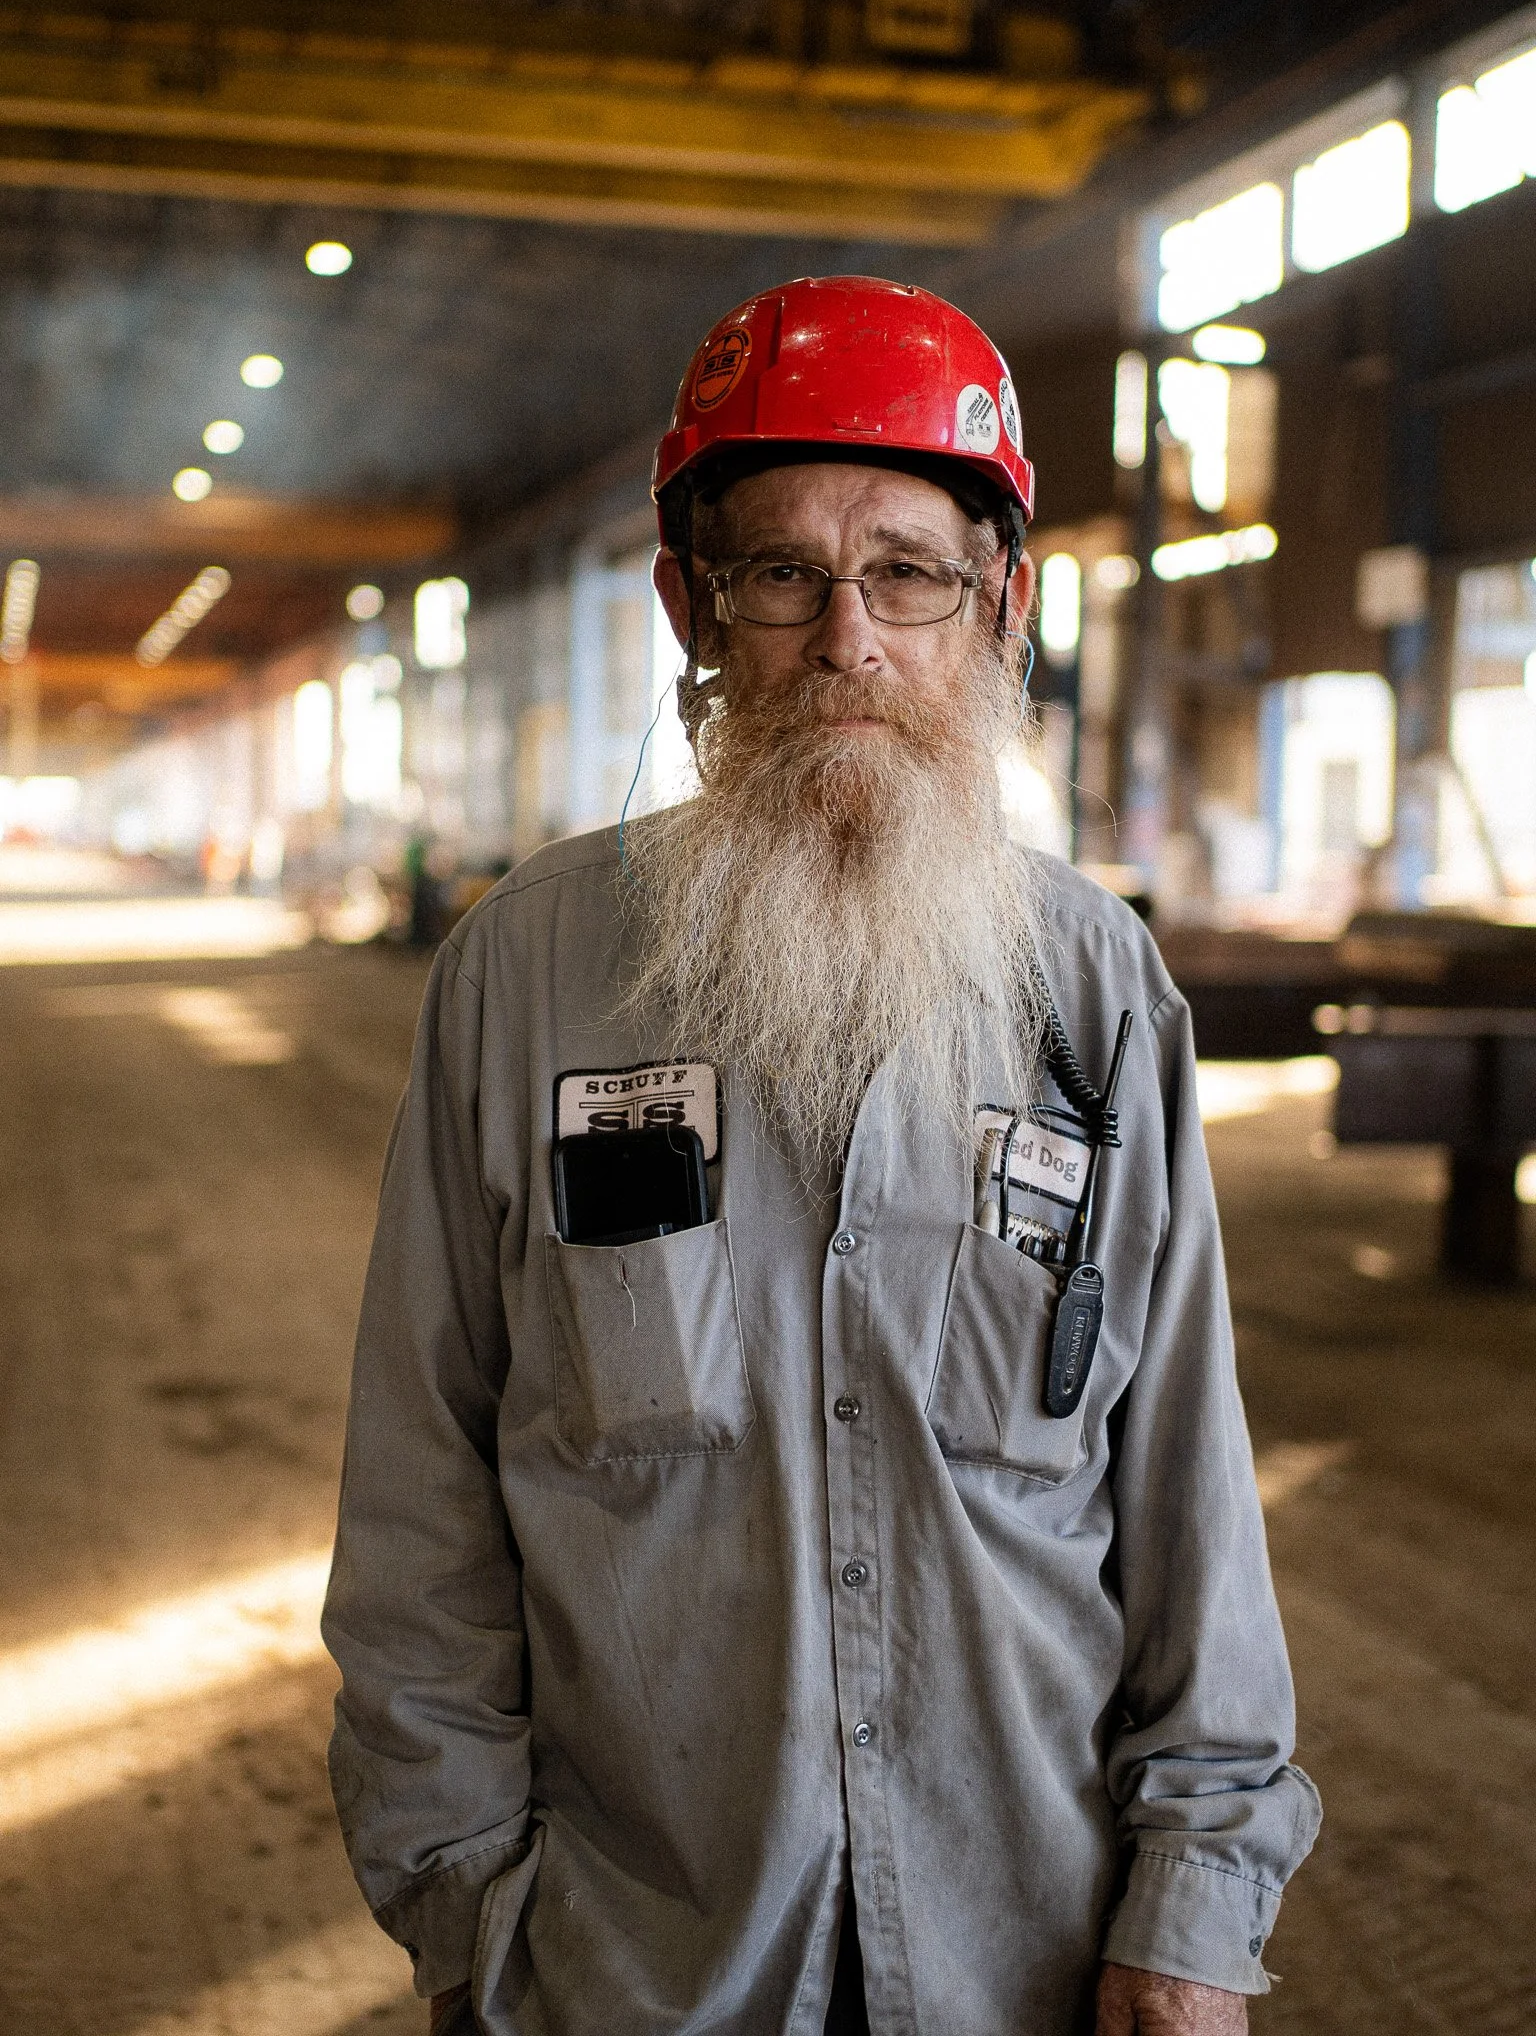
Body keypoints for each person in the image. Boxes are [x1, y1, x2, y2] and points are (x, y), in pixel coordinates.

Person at [323, 276, 1319, 2036]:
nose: (848, 639)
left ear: (997, 607)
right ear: (689, 607)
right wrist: (474, 1910)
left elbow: (1188, 1508)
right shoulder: (525, 979)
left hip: (1027, 1957)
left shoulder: (1098, 999)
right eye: (781, 573)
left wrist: (1195, 1910)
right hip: (641, 1969)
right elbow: (423, 1506)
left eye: (908, 574)